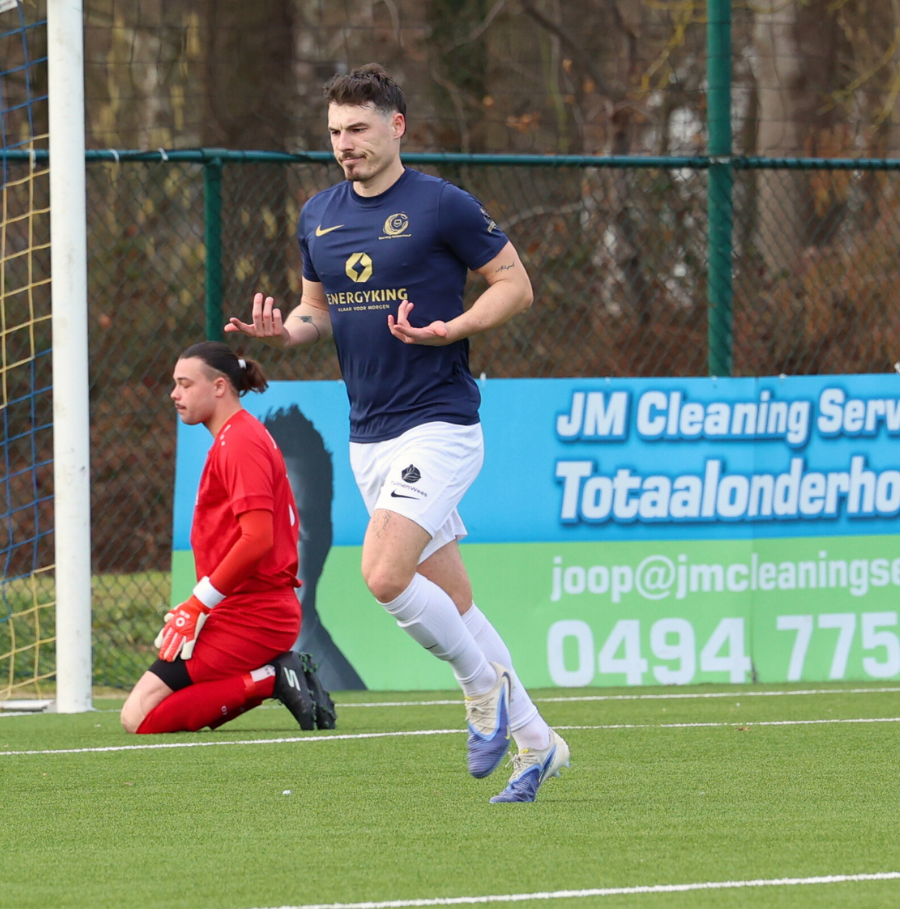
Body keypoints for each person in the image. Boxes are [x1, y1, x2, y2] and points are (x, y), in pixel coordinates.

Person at [226, 63, 567, 802]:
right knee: (461, 607)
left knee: (382, 575)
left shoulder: (441, 205)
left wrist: (457, 325)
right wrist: (283, 331)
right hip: (369, 438)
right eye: (335, 134)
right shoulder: (318, 214)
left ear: (396, 125)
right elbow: (317, 311)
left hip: (439, 424)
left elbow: (516, 285)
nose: (345, 144)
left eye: (358, 129)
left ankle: (483, 697)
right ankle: (538, 745)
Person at [120, 342, 334, 734]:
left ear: (219, 386)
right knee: (147, 709)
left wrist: (196, 606)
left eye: (185, 384)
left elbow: (257, 540)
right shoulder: (235, 436)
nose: (174, 394)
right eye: (174, 384)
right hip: (243, 610)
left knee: (139, 716)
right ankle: (271, 676)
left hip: (256, 616)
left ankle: (272, 678)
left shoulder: (240, 441)